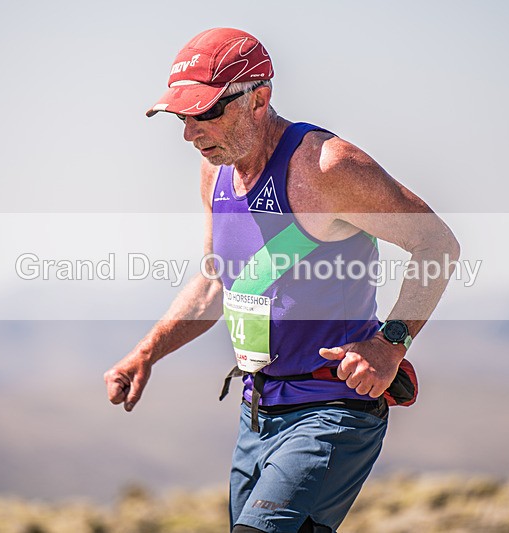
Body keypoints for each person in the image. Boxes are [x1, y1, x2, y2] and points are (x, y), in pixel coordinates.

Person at [104, 27, 460, 533]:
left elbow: (437, 244)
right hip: (257, 413)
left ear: (259, 99)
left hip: (330, 410)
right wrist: (146, 352)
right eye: (182, 117)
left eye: (204, 112)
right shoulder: (217, 169)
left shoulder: (326, 166)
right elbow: (214, 282)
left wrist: (391, 343)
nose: (189, 133)